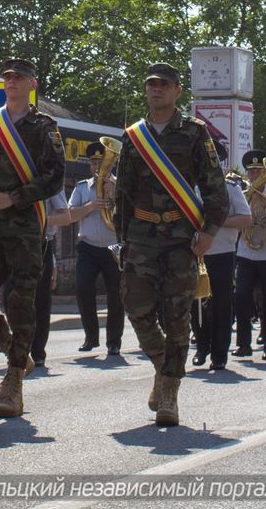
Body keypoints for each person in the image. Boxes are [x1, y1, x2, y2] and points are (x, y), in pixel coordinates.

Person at [113, 62, 228, 426]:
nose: (156, 90)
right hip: (142, 237)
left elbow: (214, 188)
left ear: (178, 90)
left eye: (163, 85)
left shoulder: (195, 134)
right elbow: (124, 192)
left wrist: (209, 231)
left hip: (181, 239)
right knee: (136, 309)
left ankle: (169, 393)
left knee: (177, 317)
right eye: (151, 85)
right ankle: (165, 367)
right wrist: (122, 238)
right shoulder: (134, 136)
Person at [0, 58, 64, 417]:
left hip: (24, 227)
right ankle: (14, 351)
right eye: (7, 77)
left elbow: (54, 177)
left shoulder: (44, 127)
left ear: (32, 84)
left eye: (18, 77)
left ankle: (13, 379)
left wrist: (14, 197)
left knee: (21, 301)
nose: (11, 82)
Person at [191, 141, 252, 370]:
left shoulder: (230, 187)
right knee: (195, 303)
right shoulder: (189, 186)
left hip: (222, 252)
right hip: (196, 252)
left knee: (220, 304)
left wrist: (217, 222)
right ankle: (201, 347)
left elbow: (246, 219)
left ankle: (219, 354)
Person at [68, 142, 125, 356]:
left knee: (116, 296)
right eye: (93, 163)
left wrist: (114, 198)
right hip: (88, 247)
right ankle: (91, 337)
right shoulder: (82, 187)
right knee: (83, 290)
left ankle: (114, 341)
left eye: (101, 163)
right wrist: (91, 206)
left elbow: (128, 217)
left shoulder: (120, 186)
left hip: (113, 248)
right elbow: (70, 214)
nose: (97, 167)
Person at [234, 150, 266, 361]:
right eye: (251, 171)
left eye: (259, 171)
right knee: (241, 297)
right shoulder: (240, 194)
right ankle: (243, 344)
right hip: (246, 254)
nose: (255, 175)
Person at [27, 191, 71, 367]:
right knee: (11, 297)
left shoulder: (51, 177)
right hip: (13, 242)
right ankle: (16, 346)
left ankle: (37, 352)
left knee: (41, 302)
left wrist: (37, 219)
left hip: (41, 243)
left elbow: (65, 217)